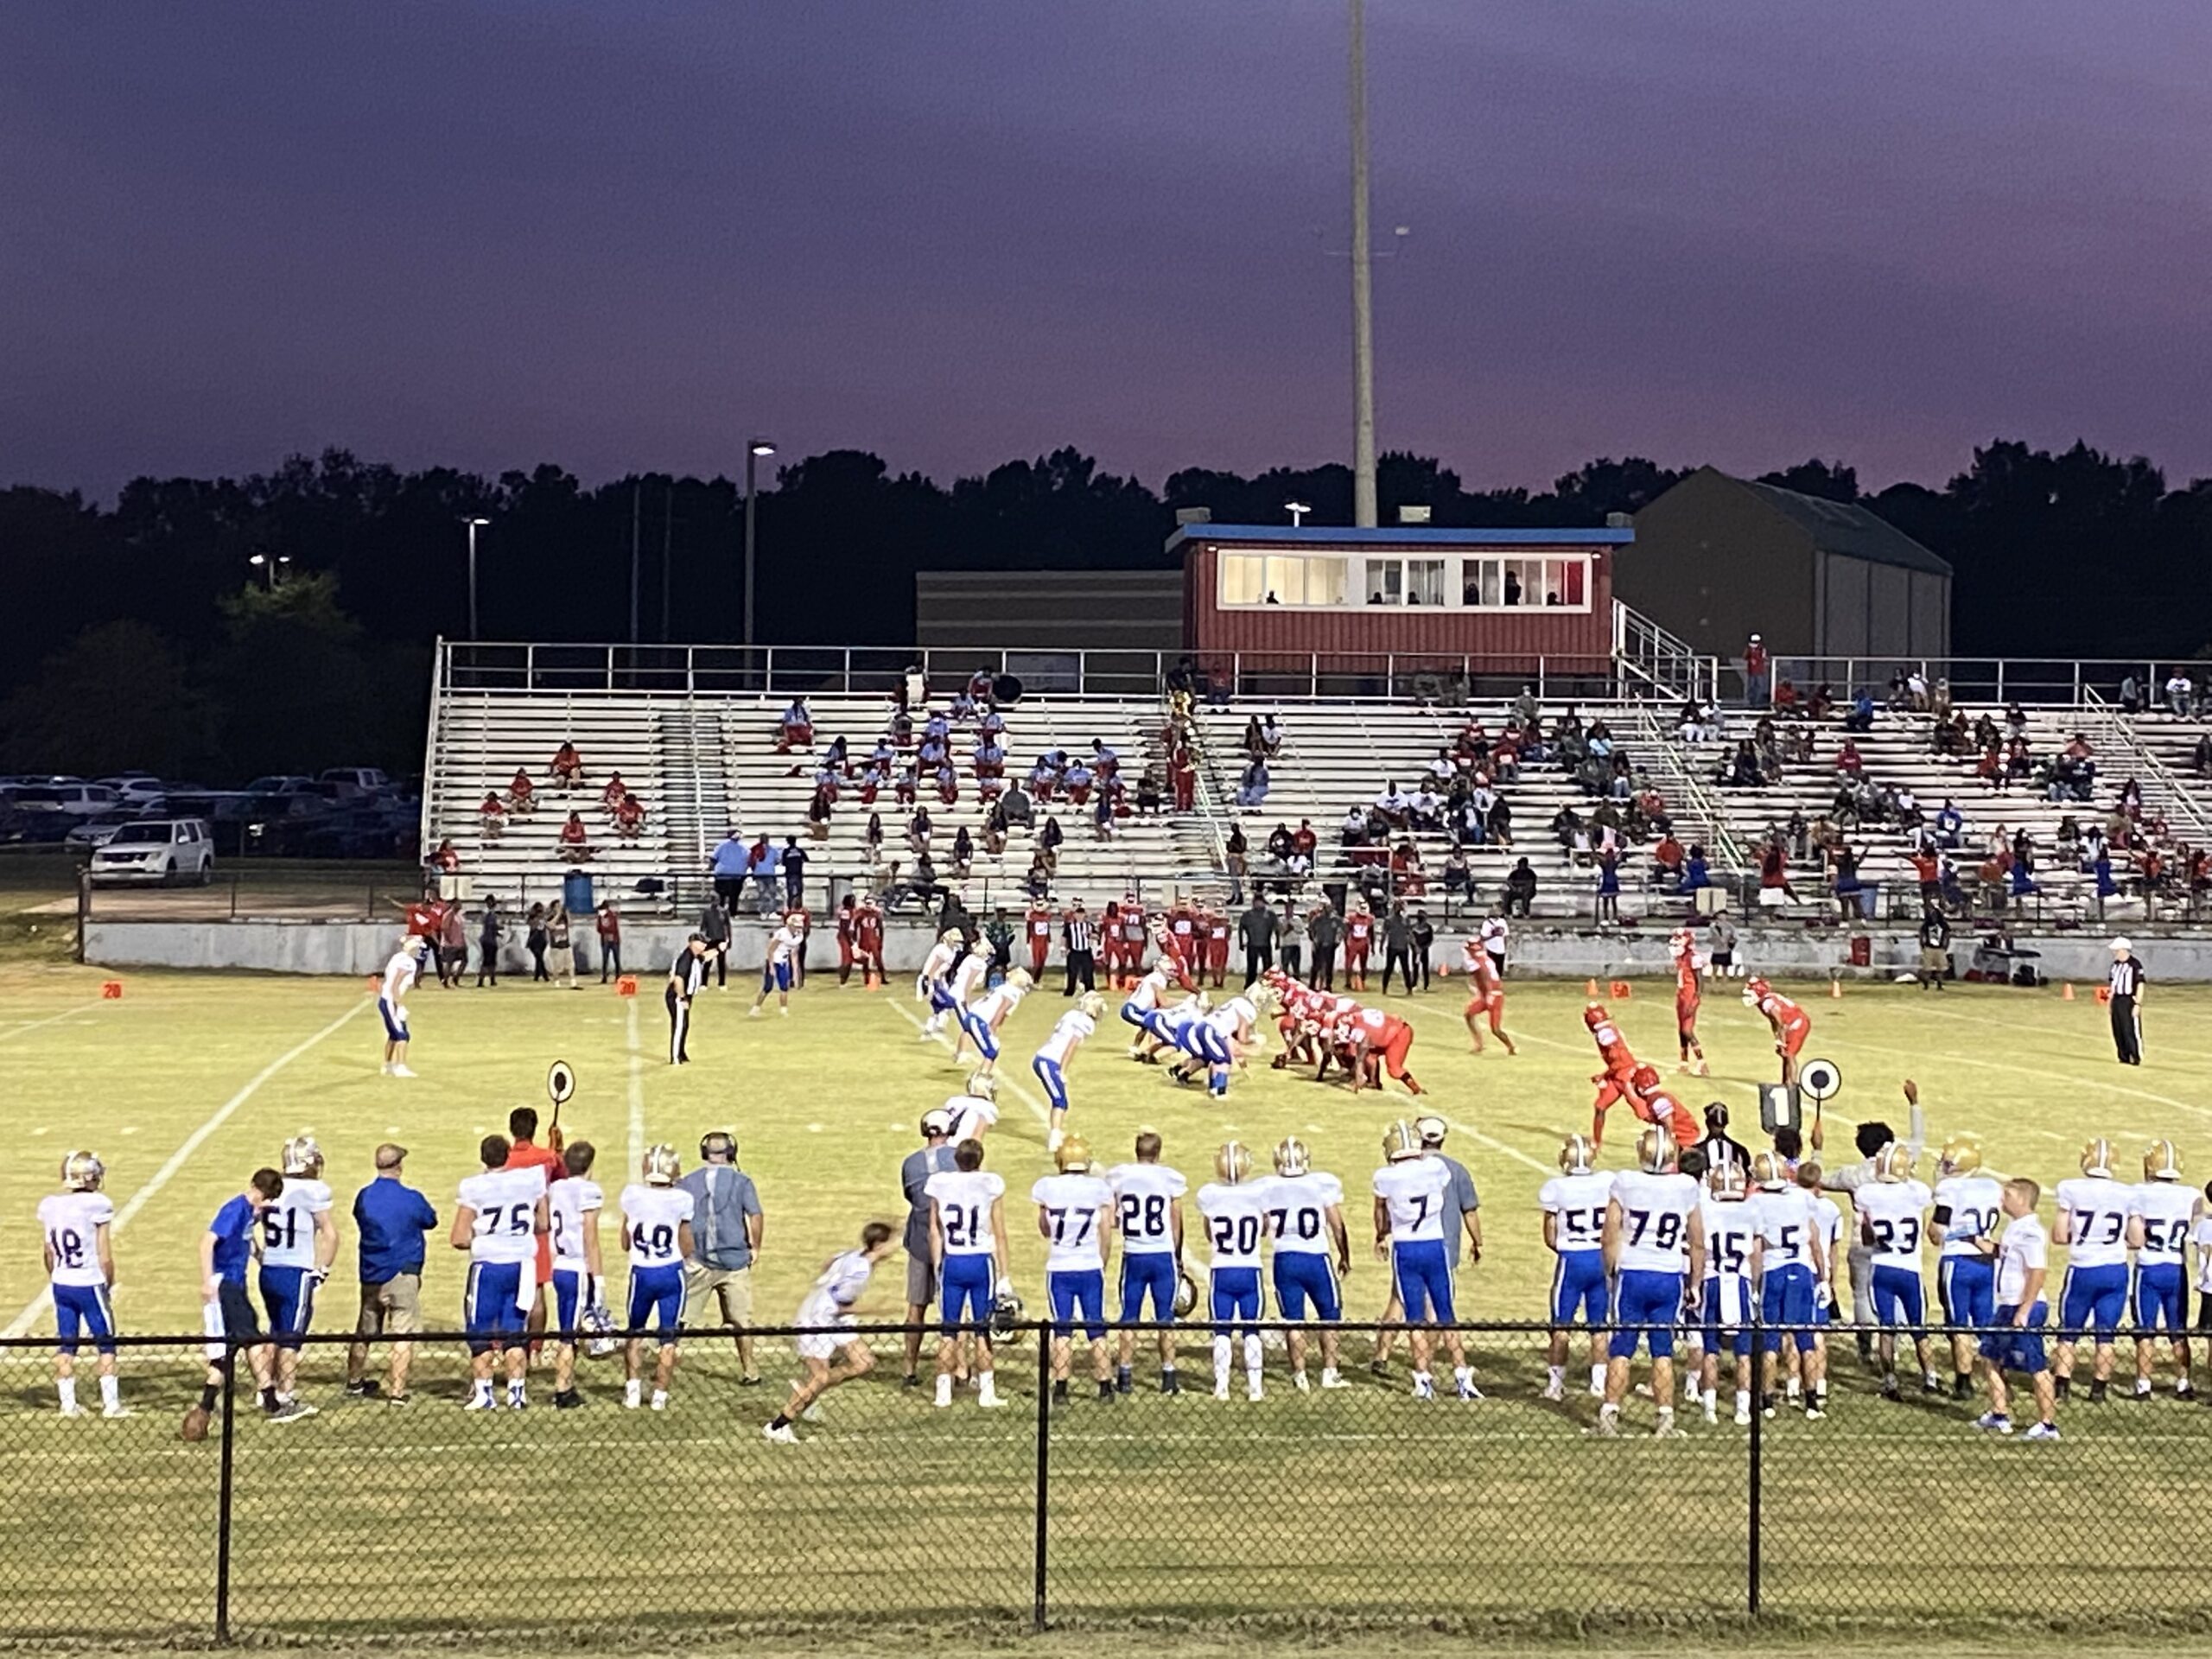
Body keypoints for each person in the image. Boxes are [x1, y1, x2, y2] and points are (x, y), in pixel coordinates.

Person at [1597, 1128, 1704, 1437]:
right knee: (1663, 1351)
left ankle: (1609, 1414)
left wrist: (1610, 1272)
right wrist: (1694, 1283)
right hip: (1668, 1274)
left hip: (1633, 1272)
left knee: (1622, 1348)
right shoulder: (1685, 1186)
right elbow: (1697, 1241)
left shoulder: (1625, 1181)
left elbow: (1610, 1234)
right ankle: (1665, 1419)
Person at [763, 1220, 903, 1443]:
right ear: (878, 1245)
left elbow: (829, 1263)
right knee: (820, 1375)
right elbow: (841, 1304)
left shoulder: (853, 1254)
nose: (895, 1248)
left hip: (835, 1317)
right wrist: (880, 1309)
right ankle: (778, 1425)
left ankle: (808, 1391)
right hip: (818, 1319)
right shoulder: (860, 1272)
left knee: (864, 1362)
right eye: (891, 1243)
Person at [1373, 1120, 1477, 1402]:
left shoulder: (1385, 1177)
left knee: (1415, 1317)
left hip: (1406, 1249)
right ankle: (1461, 1375)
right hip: (1435, 1246)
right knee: (1446, 1315)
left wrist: (1381, 1236)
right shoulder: (1436, 1168)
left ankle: (1423, 1379)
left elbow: (1381, 1215)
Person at [181, 1167, 285, 1442]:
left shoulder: (250, 1214)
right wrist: (207, 1281)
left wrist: (260, 1256)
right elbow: (207, 1243)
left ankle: (205, 1404)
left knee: (227, 1350)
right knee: (251, 1339)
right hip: (225, 1285)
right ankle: (270, 1399)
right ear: (259, 1194)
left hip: (234, 1284)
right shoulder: (234, 1209)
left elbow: (246, 1240)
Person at [453, 1135, 549, 1412]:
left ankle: (484, 1393)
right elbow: (542, 1222)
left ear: (483, 1157)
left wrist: (485, 1239)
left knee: (480, 1329)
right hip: (521, 1264)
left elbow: (459, 1237)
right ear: (507, 1155)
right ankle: (516, 1393)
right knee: (515, 1329)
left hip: (489, 1266)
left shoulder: (474, 1187)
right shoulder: (527, 1181)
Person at [344, 1143, 436, 1405]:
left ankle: (354, 1381)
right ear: (398, 1166)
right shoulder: (411, 1198)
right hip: (402, 1272)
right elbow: (430, 1220)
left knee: (364, 1330)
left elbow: (360, 1217)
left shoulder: (364, 1196)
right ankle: (397, 1391)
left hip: (372, 1272)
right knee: (402, 1331)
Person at [1033, 1136, 1117, 1405]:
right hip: (1089, 1265)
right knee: (1096, 1326)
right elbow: (1106, 1229)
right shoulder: (1097, 1188)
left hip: (1060, 1266)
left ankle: (1060, 1389)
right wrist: (1102, 1260)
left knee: (1062, 1329)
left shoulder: (1048, 1187)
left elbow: (1045, 1229)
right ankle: (1105, 1387)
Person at [927, 1136, 1011, 1409]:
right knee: (982, 1328)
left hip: (953, 1261)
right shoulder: (989, 1184)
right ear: (980, 1159)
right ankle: (986, 1391)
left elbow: (934, 1231)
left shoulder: (941, 1184)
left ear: (956, 1160)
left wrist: (938, 1265)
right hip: (979, 1261)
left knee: (949, 1330)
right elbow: (999, 1233)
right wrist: (1005, 1275)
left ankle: (943, 1393)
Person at [40, 1149, 124, 1418]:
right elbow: (104, 1254)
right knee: (106, 1343)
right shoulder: (97, 1204)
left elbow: (48, 1252)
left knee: (67, 1344)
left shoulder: (51, 1205)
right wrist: (108, 1283)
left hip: (62, 1281)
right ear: (88, 1177)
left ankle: (68, 1404)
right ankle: (111, 1405)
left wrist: (57, 1276)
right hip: (89, 1282)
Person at [1260, 1137, 1349, 1392]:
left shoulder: (1268, 1187)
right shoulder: (1320, 1183)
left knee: (1293, 1320)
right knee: (1329, 1316)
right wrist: (1345, 1256)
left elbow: (1264, 1226)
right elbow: (1337, 1225)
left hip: (1285, 1258)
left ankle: (1299, 1375)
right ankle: (1329, 1372)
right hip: (1316, 1258)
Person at [259, 1135, 337, 1420]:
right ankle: (285, 1397)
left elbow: (247, 1227)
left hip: (269, 1269)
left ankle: (265, 1390)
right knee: (291, 1338)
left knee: (274, 1331)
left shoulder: (272, 1188)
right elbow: (330, 1234)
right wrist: (322, 1270)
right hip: (296, 1270)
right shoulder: (314, 1190)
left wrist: (259, 1254)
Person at [678, 1130, 765, 1385]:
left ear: (705, 1153)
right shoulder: (742, 1181)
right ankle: (751, 1371)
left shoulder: (689, 1182)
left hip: (699, 1261)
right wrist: (756, 1247)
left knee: (679, 1318)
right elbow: (755, 1216)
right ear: (731, 1153)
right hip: (733, 1262)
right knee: (742, 1322)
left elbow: (679, 1220)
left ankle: (662, 1360)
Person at [1855, 1144, 1942, 1400]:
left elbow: (1867, 1237)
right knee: (1919, 1328)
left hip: (1882, 1268)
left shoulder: (1867, 1194)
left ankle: (1890, 1380)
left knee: (1887, 1328)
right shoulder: (1917, 1192)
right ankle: (1931, 1377)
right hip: (1910, 1269)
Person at [1974, 1178, 2059, 1440]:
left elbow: (2037, 1271)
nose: (2002, 1200)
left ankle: (2047, 1424)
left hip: (2023, 1307)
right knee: (1990, 1357)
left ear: (2022, 1199)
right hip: (2007, 1305)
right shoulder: (2015, 1228)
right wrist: (1978, 1242)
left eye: (2007, 1196)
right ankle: (1999, 1414)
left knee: (2036, 1366)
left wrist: (2025, 1308)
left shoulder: (2031, 1232)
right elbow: (2005, 1254)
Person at [1751, 1149, 1830, 1420]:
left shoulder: (1756, 1204)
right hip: (1800, 1268)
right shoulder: (1802, 1197)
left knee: (1771, 1341)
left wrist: (1754, 1284)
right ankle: (1811, 1402)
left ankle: (1768, 1400)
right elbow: (1815, 1241)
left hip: (1774, 1269)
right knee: (1805, 1339)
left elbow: (1757, 1250)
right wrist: (1823, 1276)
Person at [2053, 1138, 2133, 1402]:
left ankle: (2062, 1386)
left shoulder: (2071, 1189)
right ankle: (2099, 1390)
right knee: (2106, 1334)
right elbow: (2137, 1239)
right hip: (2115, 1269)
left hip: (2083, 1267)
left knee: (2069, 1332)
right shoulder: (2127, 1193)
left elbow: (2059, 1235)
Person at [618, 1145, 696, 1411]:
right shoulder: (682, 1199)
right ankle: (660, 1396)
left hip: (641, 1271)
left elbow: (625, 1242)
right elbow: (686, 1245)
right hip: (670, 1272)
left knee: (635, 1332)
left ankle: (632, 1391)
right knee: (668, 1337)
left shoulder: (631, 1196)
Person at [1109, 1131, 1186, 1395]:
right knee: (1166, 1317)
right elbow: (1176, 1220)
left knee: (1129, 1317)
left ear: (1136, 1151)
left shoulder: (1120, 1176)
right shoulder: (1168, 1178)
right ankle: (1169, 1377)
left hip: (1134, 1254)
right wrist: (1177, 1255)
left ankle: (1125, 1376)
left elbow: (1113, 1218)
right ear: (1158, 1153)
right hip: (1162, 1255)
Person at [1539, 1134, 1611, 1402]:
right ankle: (1598, 1384)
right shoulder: (1607, 1182)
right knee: (1600, 1325)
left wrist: (1566, 1248)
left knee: (1561, 1324)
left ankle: (1556, 1385)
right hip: (1600, 1257)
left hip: (1572, 1259)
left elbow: (1549, 1235)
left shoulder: (1555, 1188)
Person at [1931, 1135, 2003, 1397]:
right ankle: (1996, 1378)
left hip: (1958, 1262)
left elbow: (1937, 1231)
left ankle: (1964, 1382)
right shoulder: (1993, 1187)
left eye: (1948, 1164)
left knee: (1959, 1323)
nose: (1944, 1168)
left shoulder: (1951, 1190)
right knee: (1985, 1323)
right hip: (1985, 1263)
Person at [1697, 1157, 1763, 1425]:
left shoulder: (1705, 1210)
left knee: (1710, 1349)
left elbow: (1699, 1251)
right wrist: (1756, 1286)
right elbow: (1756, 1254)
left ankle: (1710, 1407)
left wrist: (1694, 1283)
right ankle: (1743, 1409)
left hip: (1712, 1281)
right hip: (1740, 1282)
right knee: (1743, 1352)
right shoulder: (1752, 1210)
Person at [2126, 1140, 2194, 1399]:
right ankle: (2184, 1383)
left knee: (2145, 1329)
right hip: (2177, 1268)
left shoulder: (2138, 1193)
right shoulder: (2191, 1196)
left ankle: (2144, 1384)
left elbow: (2135, 1239)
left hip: (2149, 1268)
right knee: (2178, 1329)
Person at [898, 1108, 960, 1387]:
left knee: (916, 1306)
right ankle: (960, 1369)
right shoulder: (959, 1158)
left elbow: (911, 1197)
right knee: (959, 1309)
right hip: (955, 1241)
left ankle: (909, 1367)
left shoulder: (911, 1163)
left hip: (921, 1238)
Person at [545, 1140, 604, 1411]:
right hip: (577, 1267)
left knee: (573, 1328)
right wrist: (599, 1276)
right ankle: (562, 1390)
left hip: (559, 1266)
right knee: (569, 1333)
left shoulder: (556, 1188)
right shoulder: (588, 1191)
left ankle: (567, 1384)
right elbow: (590, 1237)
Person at [1032, 992, 1103, 1154]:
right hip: (1049, 1062)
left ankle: (1056, 1133)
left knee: (1061, 1101)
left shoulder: (1072, 1014)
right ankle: (1055, 1138)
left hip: (1043, 1058)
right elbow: (1071, 1048)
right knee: (1060, 1101)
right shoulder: (1085, 1022)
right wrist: (1062, 1071)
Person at [378, 937, 426, 1077]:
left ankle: (387, 1066)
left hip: (385, 999)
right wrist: (399, 1005)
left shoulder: (398, 957)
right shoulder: (408, 962)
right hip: (391, 1001)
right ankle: (400, 1066)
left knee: (394, 1034)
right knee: (402, 1035)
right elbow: (395, 985)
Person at [750, 910, 805, 1018]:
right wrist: (771, 967)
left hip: (783, 962)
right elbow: (771, 950)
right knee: (768, 987)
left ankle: (783, 1011)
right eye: (796, 926)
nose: (798, 929)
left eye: (800, 927)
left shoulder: (799, 936)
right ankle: (756, 1008)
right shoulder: (782, 933)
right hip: (774, 960)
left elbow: (794, 954)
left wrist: (795, 971)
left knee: (784, 987)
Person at [666, 933, 707, 1064]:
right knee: (678, 1026)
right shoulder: (686, 958)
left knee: (684, 1025)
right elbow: (678, 979)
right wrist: (682, 998)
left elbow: (707, 957)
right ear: (693, 943)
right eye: (701, 943)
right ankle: (675, 1057)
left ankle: (681, 1052)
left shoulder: (695, 956)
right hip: (677, 995)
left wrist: (718, 949)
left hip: (685, 995)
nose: (704, 945)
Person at [2108, 938, 2145, 1064]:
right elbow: (2112, 984)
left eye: (2116, 950)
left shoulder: (2135, 965)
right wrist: (2110, 1003)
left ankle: (2135, 1055)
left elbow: (2140, 984)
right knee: (2117, 1029)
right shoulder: (2115, 965)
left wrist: (2138, 1004)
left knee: (2129, 1029)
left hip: (2128, 999)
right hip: (2117, 1000)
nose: (2115, 953)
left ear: (2123, 950)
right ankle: (2123, 1056)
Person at [1061, 901, 1097, 995]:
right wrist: (1063, 948)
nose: (1080, 916)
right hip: (1074, 952)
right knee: (1072, 973)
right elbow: (1065, 936)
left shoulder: (1089, 925)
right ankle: (1070, 991)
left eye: (1082, 914)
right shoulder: (1070, 926)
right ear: (1075, 915)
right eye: (1078, 914)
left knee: (1088, 972)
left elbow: (1097, 936)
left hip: (1086, 952)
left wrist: (1090, 935)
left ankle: (1090, 990)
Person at [698, 893, 731, 989]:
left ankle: (722, 983)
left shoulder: (724, 912)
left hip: (721, 939)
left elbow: (727, 926)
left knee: (721, 962)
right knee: (707, 962)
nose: (715, 902)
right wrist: (703, 938)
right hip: (710, 939)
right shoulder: (707, 912)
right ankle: (704, 983)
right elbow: (703, 926)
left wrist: (729, 939)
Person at [474, 896, 504, 988]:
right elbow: (491, 926)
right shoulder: (489, 913)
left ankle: (492, 980)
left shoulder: (489, 913)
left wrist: (497, 933)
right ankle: (481, 980)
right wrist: (499, 927)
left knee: (491, 961)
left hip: (490, 939)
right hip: (489, 940)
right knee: (487, 961)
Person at [595, 901, 622, 982]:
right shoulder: (600, 917)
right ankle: (604, 977)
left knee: (616, 959)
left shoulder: (612, 916)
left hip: (614, 940)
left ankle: (618, 976)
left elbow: (614, 928)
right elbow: (598, 928)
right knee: (605, 960)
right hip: (605, 940)